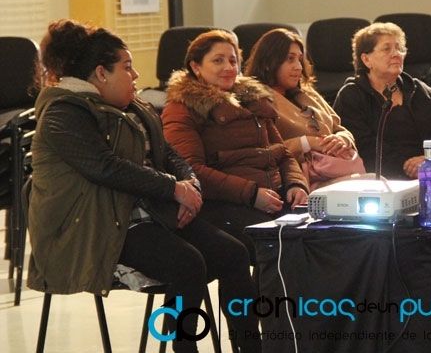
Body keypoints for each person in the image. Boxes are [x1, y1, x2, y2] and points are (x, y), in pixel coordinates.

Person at [28, 19, 260, 353]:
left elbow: (169, 153)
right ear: (101, 74)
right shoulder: (63, 113)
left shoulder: (133, 106)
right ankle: (184, 349)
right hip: (97, 228)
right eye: (127, 67)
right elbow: (105, 167)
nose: (136, 75)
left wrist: (189, 186)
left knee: (234, 254)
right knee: (187, 264)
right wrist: (173, 189)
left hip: (147, 214)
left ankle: (251, 348)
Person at [161, 30, 309, 258]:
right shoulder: (182, 108)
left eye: (233, 61)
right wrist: (251, 194)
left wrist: (296, 185)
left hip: (274, 195)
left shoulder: (253, 100)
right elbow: (191, 170)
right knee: (280, 246)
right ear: (196, 67)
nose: (229, 67)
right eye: (218, 61)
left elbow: (283, 153)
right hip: (224, 202)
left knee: (324, 236)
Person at [333, 22, 431, 179]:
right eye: (387, 49)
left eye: (399, 48)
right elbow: (362, 145)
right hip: (381, 179)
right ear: (366, 59)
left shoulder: (419, 89)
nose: (396, 54)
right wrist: (406, 165)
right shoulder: (351, 95)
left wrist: (430, 159)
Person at [243, 28, 362, 188]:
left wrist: (342, 139)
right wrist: (306, 143)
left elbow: (340, 128)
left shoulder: (307, 93)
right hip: (299, 181)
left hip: (337, 169)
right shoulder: (257, 100)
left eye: (300, 59)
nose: (299, 67)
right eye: (290, 59)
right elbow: (261, 152)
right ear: (269, 62)